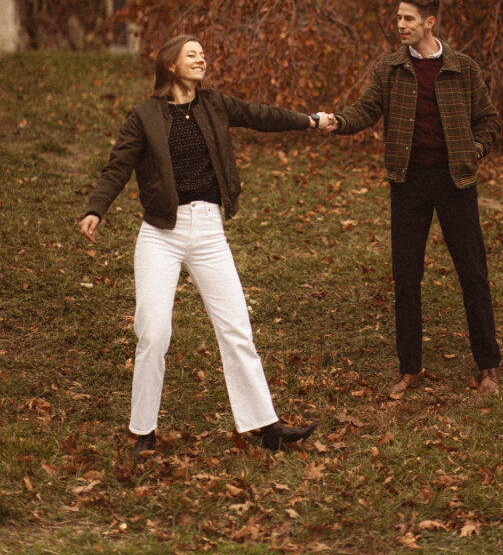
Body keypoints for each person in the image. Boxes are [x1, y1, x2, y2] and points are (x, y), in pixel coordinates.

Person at [79, 34, 333, 460]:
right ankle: (144, 431)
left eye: (203, 54)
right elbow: (118, 165)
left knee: (236, 328)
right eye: (191, 54)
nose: (201, 58)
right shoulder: (144, 115)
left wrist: (308, 120)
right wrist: (96, 209)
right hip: (161, 233)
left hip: (209, 231)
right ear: (171, 65)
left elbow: (261, 115)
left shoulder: (215, 104)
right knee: (154, 333)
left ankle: (265, 426)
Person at [324, 0, 502, 398]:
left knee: (472, 273)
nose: (401, 25)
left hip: (456, 180)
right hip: (408, 181)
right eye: (398, 19)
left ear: (429, 23)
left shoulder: (463, 68)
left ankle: (489, 365)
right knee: (406, 277)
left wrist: (473, 152)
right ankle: (409, 369)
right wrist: (338, 121)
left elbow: (488, 119)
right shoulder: (390, 69)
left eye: (408, 19)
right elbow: (366, 109)